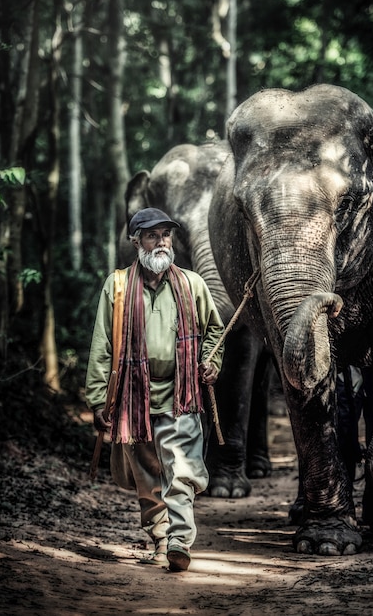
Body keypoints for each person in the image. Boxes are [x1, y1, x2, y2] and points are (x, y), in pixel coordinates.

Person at [85, 207, 224, 572]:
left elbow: (214, 332)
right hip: (133, 398)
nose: (161, 241)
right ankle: (161, 537)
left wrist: (211, 361)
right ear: (136, 242)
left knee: (180, 471)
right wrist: (99, 398)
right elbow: (102, 345)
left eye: (166, 234)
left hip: (182, 394)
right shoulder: (116, 285)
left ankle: (180, 541)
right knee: (147, 478)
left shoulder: (192, 283)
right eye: (152, 235)